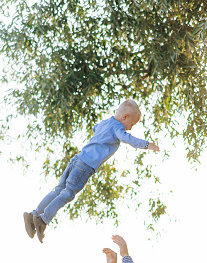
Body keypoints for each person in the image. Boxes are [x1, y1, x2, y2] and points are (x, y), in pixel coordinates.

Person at [23, 100, 160, 243]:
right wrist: (146, 144)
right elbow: (126, 138)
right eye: (132, 124)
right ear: (125, 117)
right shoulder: (118, 127)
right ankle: (42, 220)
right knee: (67, 193)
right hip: (85, 166)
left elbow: (95, 129)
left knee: (58, 190)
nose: (130, 128)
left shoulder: (105, 122)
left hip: (77, 159)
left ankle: (33, 214)